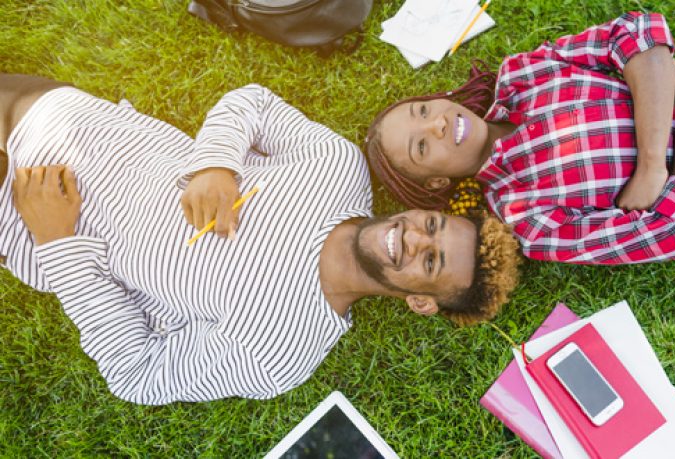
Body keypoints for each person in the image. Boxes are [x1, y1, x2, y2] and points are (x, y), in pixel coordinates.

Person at [0, 75, 520, 405]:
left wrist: (56, 241)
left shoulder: (279, 355)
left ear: (420, 302)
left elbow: (137, 373)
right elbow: (255, 104)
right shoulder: (337, 167)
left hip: (26, 223)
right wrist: (216, 165)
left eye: (430, 263)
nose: (414, 238)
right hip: (79, 129)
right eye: (432, 226)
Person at [365, 11, 675, 265]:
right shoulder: (528, 220)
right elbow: (673, 231)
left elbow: (638, 34)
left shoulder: (522, 75)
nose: (436, 124)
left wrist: (653, 165)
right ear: (436, 183)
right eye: (422, 146)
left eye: (422, 111)